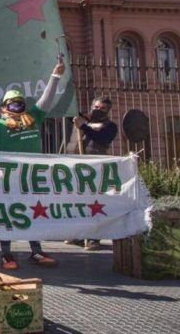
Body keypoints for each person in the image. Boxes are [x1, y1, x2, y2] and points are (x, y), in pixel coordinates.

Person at [0, 56, 65, 270]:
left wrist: (55, 75)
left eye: (20, 101)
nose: (17, 104)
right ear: (4, 106)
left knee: (33, 211)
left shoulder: (33, 118)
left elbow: (46, 101)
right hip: (8, 179)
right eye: (13, 101)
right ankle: (6, 254)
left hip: (32, 178)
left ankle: (37, 252)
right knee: (7, 215)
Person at [68, 96, 118, 250]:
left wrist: (83, 127)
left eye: (102, 108)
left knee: (95, 204)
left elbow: (102, 139)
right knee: (79, 202)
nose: (98, 110)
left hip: (96, 169)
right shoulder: (84, 122)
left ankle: (93, 238)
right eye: (96, 107)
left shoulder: (110, 126)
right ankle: (78, 235)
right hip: (78, 167)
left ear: (107, 110)